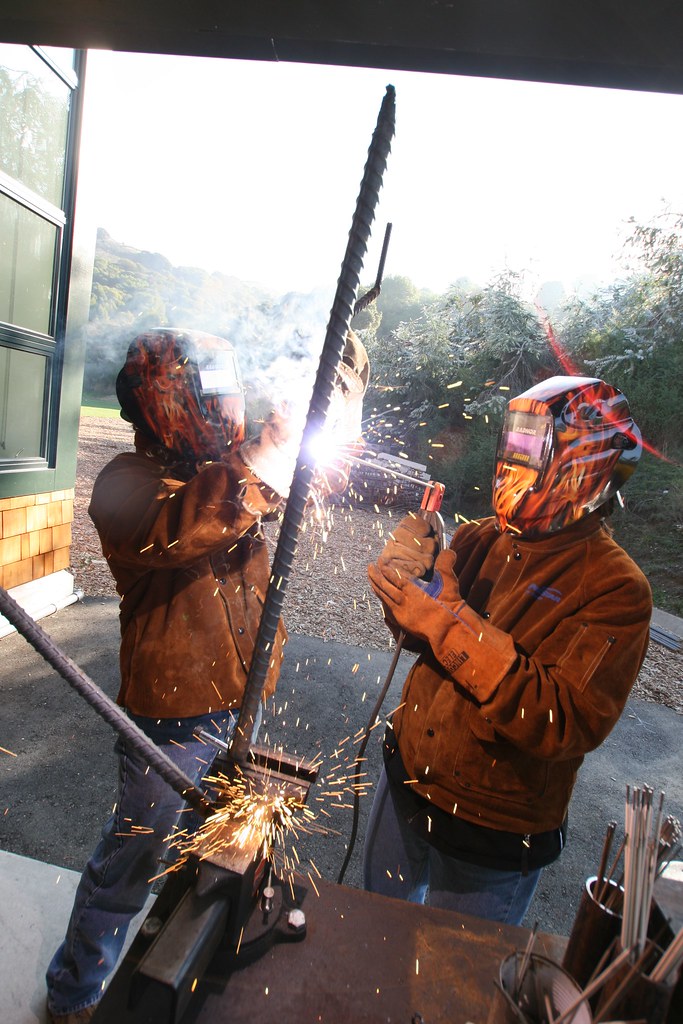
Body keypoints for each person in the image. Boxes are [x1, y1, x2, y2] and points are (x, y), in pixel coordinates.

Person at [46, 326, 369, 1024]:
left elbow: (316, 478)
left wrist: (337, 402)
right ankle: (75, 988)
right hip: (170, 713)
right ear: (166, 399)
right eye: (211, 389)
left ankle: (186, 967)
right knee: (135, 856)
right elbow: (185, 525)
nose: (227, 405)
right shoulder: (125, 485)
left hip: (241, 700)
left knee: (221, 850)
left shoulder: (230, 465)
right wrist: (270, 453)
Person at [363, 375, 652, 926]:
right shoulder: (480, 539)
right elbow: (417, 637)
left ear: (582, 459)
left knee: (454, 990)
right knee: (374, 934)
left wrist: (449, 622)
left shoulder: (616, 588)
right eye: (513, 444)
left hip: (493, 829)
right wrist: (407, 587)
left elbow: (564, 721)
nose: (513, 464)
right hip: (407, 780)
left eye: (531, 447)